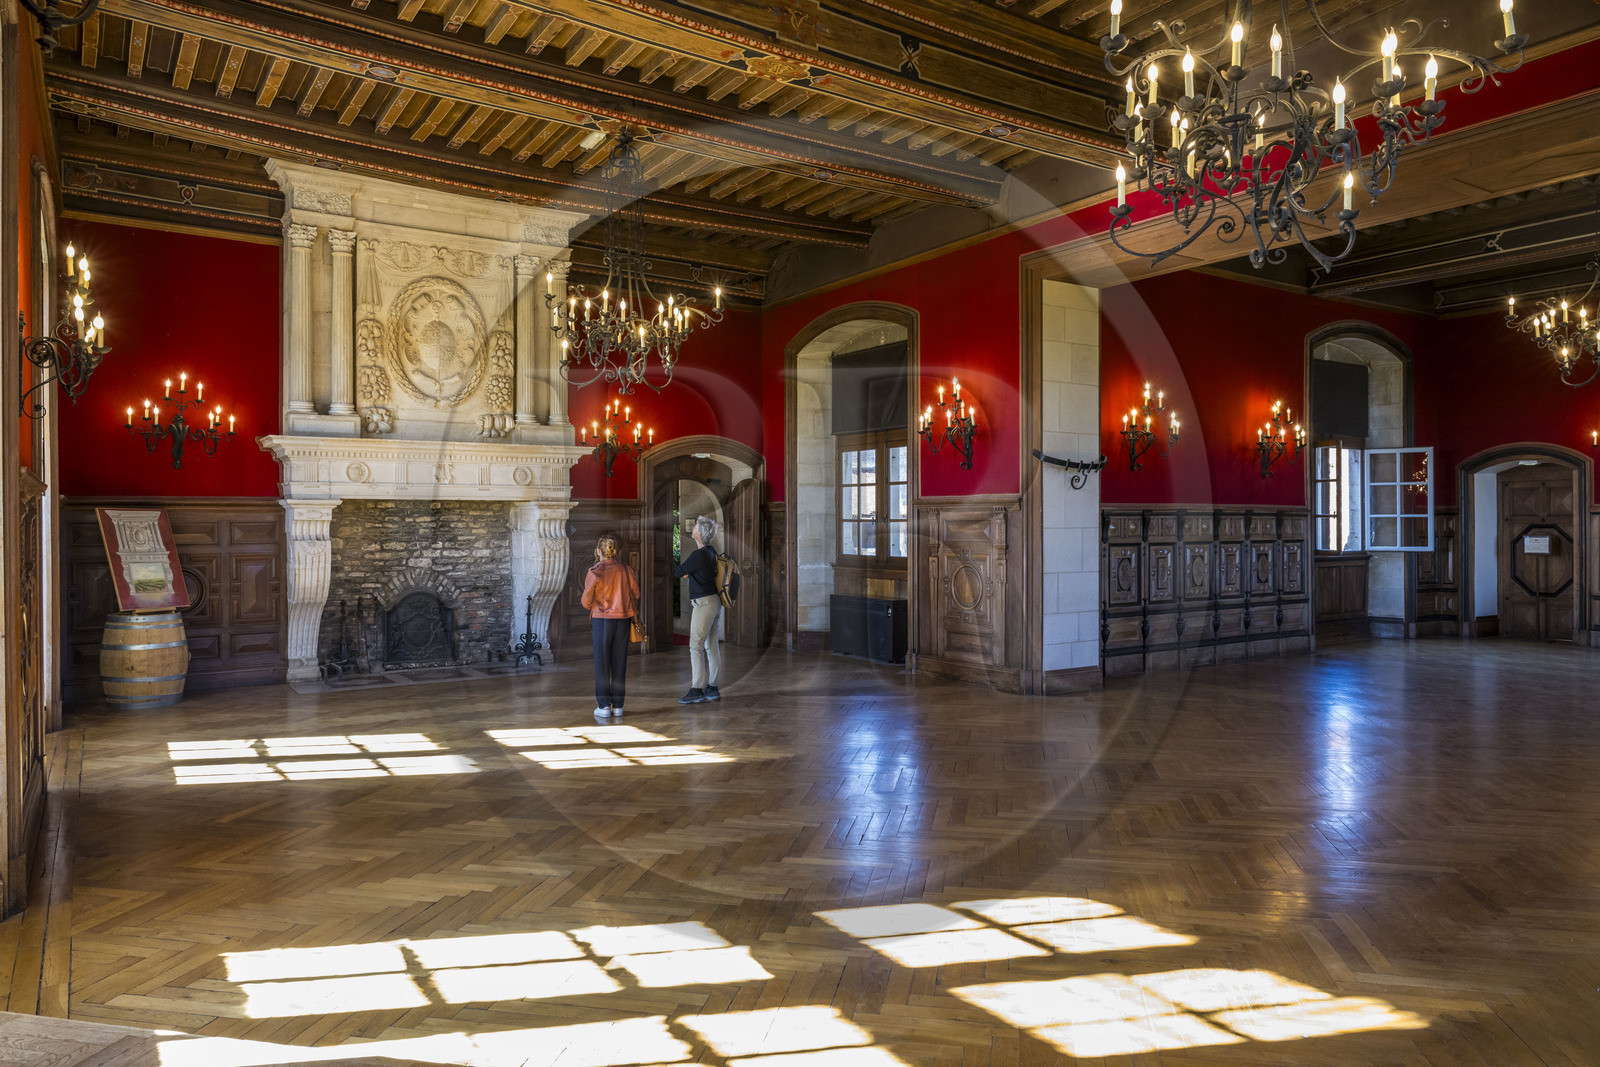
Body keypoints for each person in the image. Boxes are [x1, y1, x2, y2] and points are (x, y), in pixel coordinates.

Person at [580, 533, 639, 720]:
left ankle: (604, 705)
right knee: (620, 663)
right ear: (614, 551)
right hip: (623, 620)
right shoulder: (625, 570)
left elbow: (586, 602)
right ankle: (619, 706)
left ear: (599, 551)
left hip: (602, 620)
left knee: (603, 664)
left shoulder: (595, 571)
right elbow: (635, 594)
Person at [673, 515, 723, 705]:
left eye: (695, 527)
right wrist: (691, 572)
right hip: (713, 601)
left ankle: (697, 689)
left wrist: (688, 572)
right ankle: (712, 687)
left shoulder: (698, 555)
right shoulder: (711, 551)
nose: (693, 528)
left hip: (703, 604)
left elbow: (678, 571)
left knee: (695, 647)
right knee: (711, 646)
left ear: (699, 533)